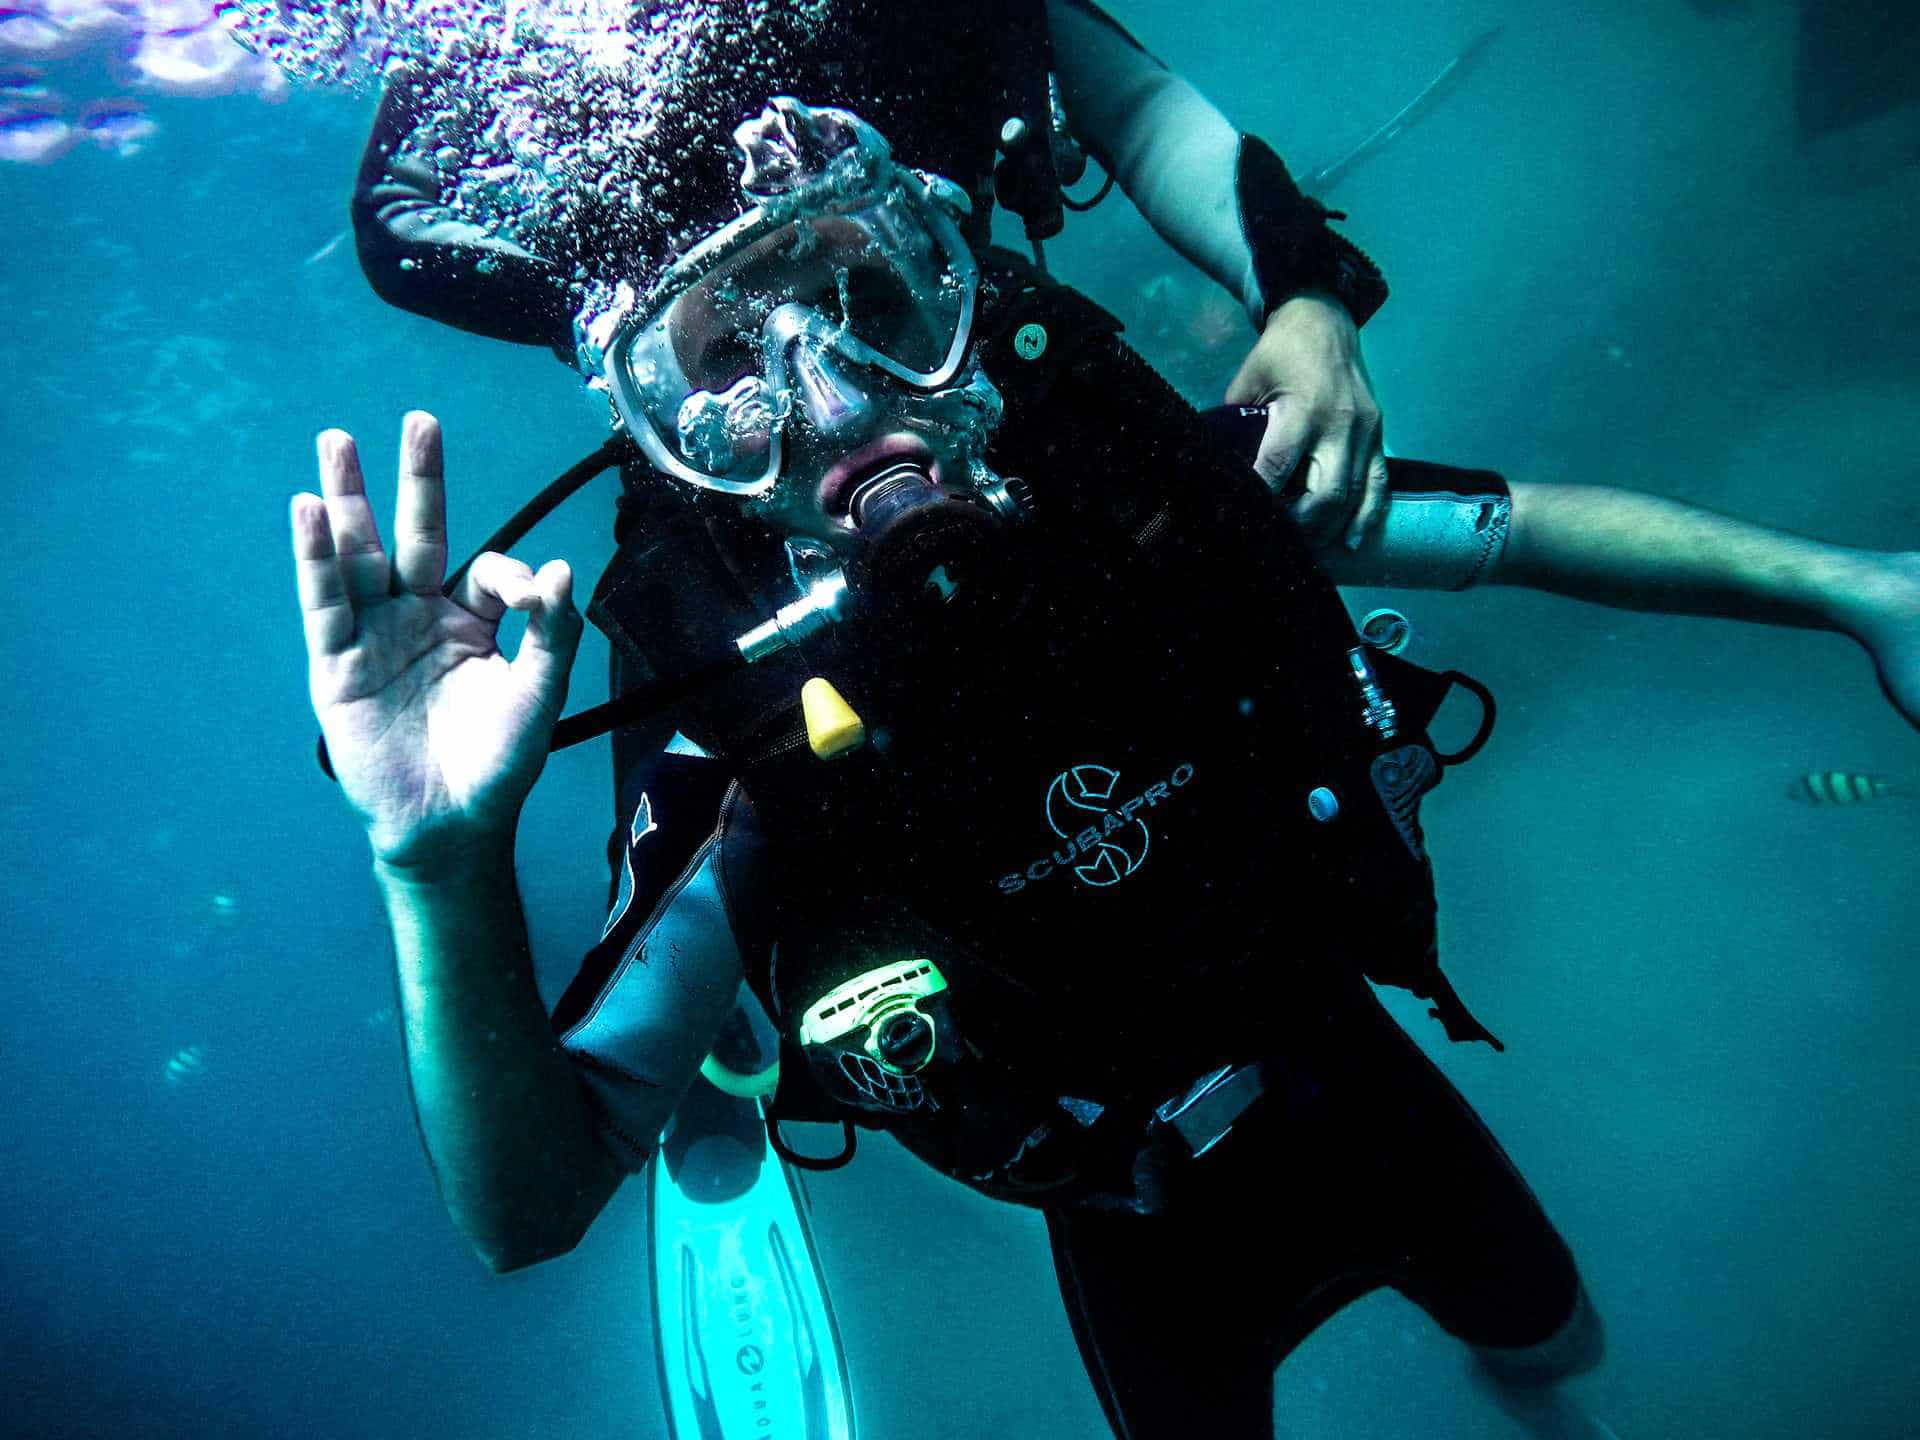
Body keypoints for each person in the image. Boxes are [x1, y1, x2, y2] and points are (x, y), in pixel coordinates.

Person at [296, 9, 1920, 1439]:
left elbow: (1513, 523)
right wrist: (433, 865)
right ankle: (718, 1047)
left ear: (958, 272)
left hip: (1340, 1070)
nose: (846, 401)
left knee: (1557, 1343)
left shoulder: (1137, 488)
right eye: (729, 374)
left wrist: (1868, 590)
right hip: (1115, 1194)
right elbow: (524, 1213)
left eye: (877, 297)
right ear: (659, 433)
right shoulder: (737, 724)